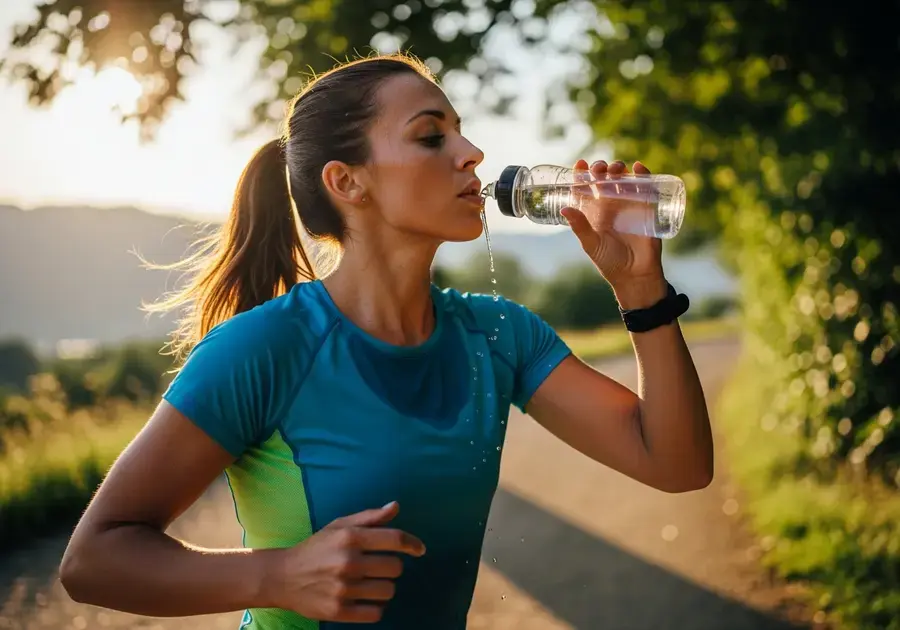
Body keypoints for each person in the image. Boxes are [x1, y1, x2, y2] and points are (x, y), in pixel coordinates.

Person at [58, 53, 713, 629]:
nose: (472, 153)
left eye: (461, 131)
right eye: (431, 136)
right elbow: (93, 559)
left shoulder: (500, 334)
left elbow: (676, 464)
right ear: (347, 182)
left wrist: (640, 290)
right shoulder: (265, 348)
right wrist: (276, 575)